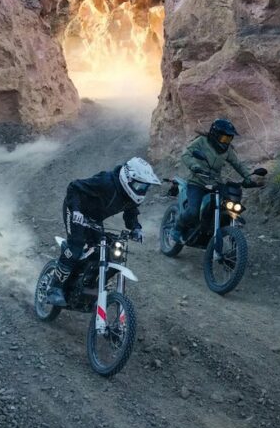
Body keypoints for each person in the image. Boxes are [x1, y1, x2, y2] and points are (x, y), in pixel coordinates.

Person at [46, 157, 161, 307]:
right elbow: (74, 187)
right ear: (128, 177)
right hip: (75, 210)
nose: (141, 190)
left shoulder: (131, 197)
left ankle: (85, 285)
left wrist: (136, 228)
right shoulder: (106, 182)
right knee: (76, 246)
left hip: (94, 218)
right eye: (139, 185)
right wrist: (76, 211)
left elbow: (131, 213)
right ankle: (55, 287)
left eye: (145, 187)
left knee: (106, 250)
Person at [172, 119, 263, 244]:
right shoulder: (202, 141)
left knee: (228, 206)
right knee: (193, 211)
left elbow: (237, 164)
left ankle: (219, 235)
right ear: (215, 134)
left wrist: (248, 178)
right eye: (224, 138)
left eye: (229, 139)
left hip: (215, 183)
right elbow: (186, 155)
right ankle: (177, 229)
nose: (226, 141)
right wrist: (195, 166)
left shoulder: (227, 150)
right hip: (197, 181)